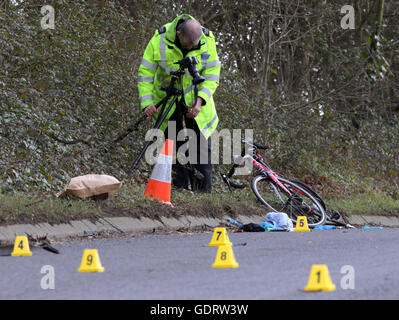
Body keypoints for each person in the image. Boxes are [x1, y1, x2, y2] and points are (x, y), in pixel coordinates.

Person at [138, 14, 221, 193]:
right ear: (178, 33)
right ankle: (179, 189)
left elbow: (213, 75)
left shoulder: (207, 39)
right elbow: (145, 73)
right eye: (187, 45)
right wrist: (147, 103)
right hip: (168, 99)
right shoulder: (159, 39)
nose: (191, 48)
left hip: (196, 101)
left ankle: (203, 196)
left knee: (199, 148)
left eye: (194, 46)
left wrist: (200, 102)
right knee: (173, 144)